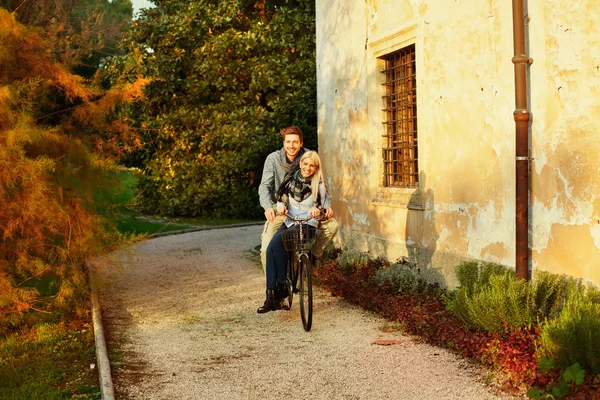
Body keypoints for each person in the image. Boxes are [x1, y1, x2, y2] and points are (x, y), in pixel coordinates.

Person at [257, 151, 333, 313]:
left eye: (311, 165)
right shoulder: (290, 180)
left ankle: (283, 284)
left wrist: (318, 209)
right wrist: (280, 206)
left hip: (307, 224)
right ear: (301, 164)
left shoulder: (319, 184)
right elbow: (280, 198)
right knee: (271, 248)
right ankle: (271, 295)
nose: (307, 168)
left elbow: (325, 203)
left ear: (316, 167)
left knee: (282, 243)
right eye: (305, 164)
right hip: (290, 220)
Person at [258, 126, 338, 272]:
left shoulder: (308, 156)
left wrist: (326, 206)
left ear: (301, 143)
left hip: (309, 211)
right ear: (284, 143)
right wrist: (268, 207)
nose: (291, 146)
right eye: (288, 142)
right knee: (266, 248)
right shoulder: (273, 159)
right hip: (283, 211)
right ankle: (273, 287)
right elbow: (264, 187)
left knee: (332, 225)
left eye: (295, 142)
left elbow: (322, 184)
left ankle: (312, 257)